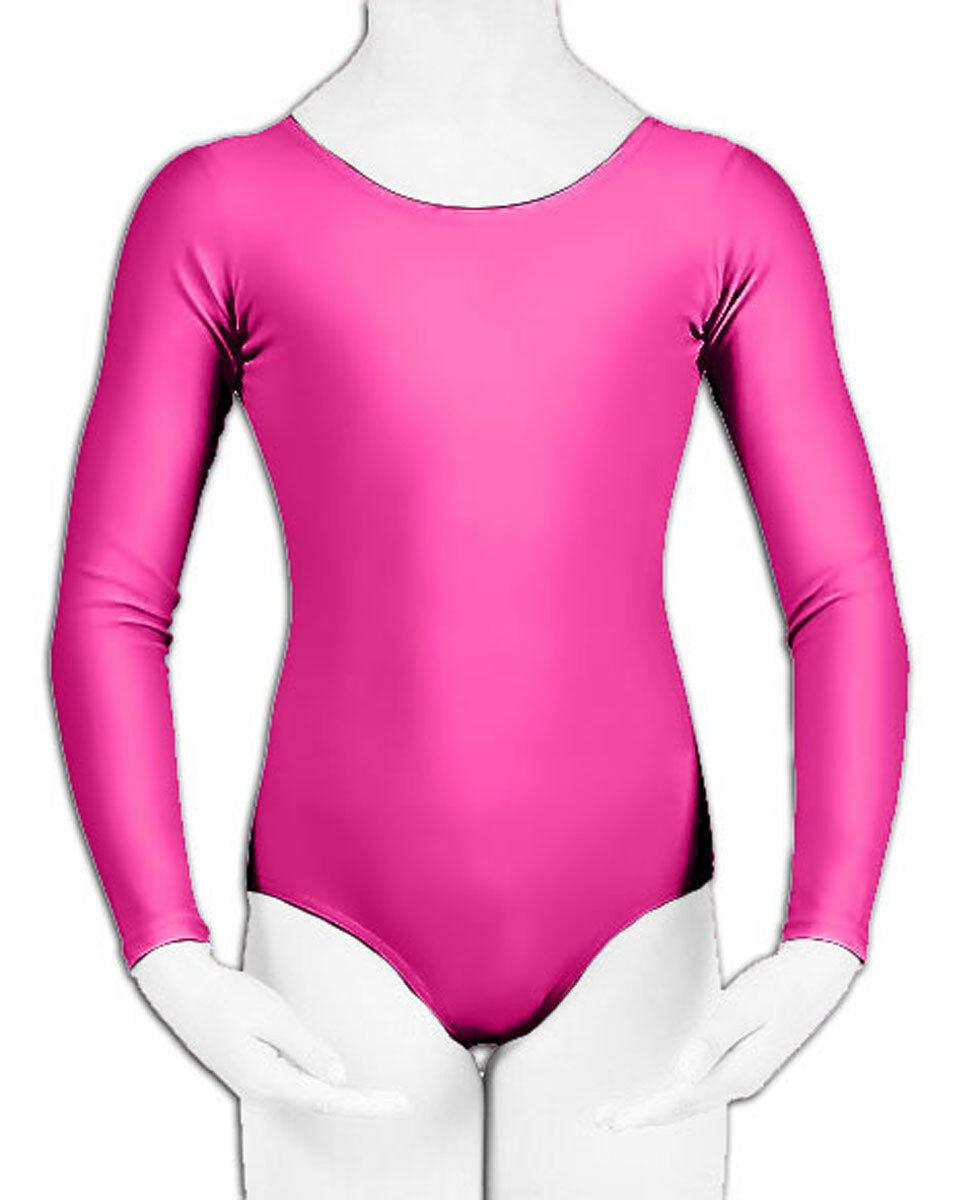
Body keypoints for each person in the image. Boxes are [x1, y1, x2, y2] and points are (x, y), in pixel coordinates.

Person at [49, 2, 909, 1196]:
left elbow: (842, 593)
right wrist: (163, 944)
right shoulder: (220, 210)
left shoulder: (720, 206)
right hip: (336, 931)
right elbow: (114, 603)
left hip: (634, 932)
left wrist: (830, 932)